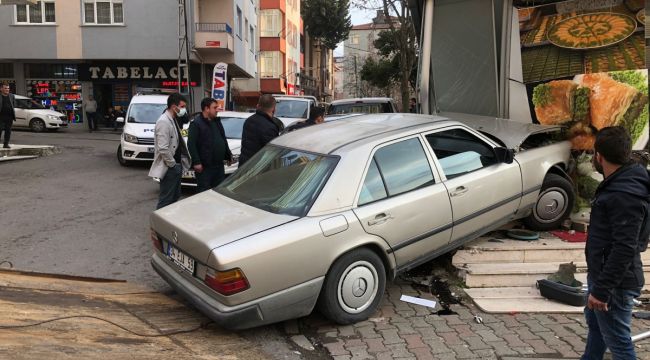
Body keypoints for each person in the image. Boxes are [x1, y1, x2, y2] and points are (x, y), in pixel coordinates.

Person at [582, 126, 650, 360]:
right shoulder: (620, 182)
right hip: (603, 277)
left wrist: (601, 291)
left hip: (615, 285)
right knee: (598, 330)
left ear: (598, 156)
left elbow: (625, 247)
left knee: (619, 344)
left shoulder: (624, 194)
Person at [148, 93, 191, 209]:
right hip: (169, 168)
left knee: (174, 197)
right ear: (173, 107)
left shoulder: (173, 119)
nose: (184, 110)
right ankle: (159, 225)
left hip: (175, 166)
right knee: (166, 200)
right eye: (182, 107)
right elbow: (163, 147)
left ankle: (166, 223)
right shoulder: (164, 121)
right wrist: (172, 164)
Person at [187, 97, 233, 192]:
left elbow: (223, 140)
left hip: (219, 166)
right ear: (207, 109)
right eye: (214, 107)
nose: (217, 110)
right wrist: (196, 162)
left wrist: (228, 155)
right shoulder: (196, 124)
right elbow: (191, 144)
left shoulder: (217, 122)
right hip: (205, 167)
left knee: (218, 192)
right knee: (205, 193)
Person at [239, 94, 279, 166]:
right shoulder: (270, 127)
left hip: (244, 165)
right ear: (274, 109)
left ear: (258, 106)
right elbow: (272, 152)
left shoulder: (249, 120)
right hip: (258, 167)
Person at [0, 83, 16, 149]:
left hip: (9, 117)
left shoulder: (11, 96)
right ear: (1, 89)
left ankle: (6, 144)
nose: (7, 89)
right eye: (5, 88)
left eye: (8, 88)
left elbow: (14, 104)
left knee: (8, 131)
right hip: (0, 117)